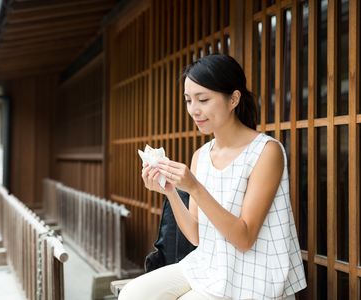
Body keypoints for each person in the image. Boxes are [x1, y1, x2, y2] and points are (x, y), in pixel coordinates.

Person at [119, 54, 307, 300]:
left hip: (252, 276)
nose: (194, 110)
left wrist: (195, 187)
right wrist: (170, 192)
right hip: (207, 265)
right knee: (133, 294)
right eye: (188, 100)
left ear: (234, 99)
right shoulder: (201, 156)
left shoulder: (266, 151)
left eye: (203, 99)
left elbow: (245, 238)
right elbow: (197, 236)